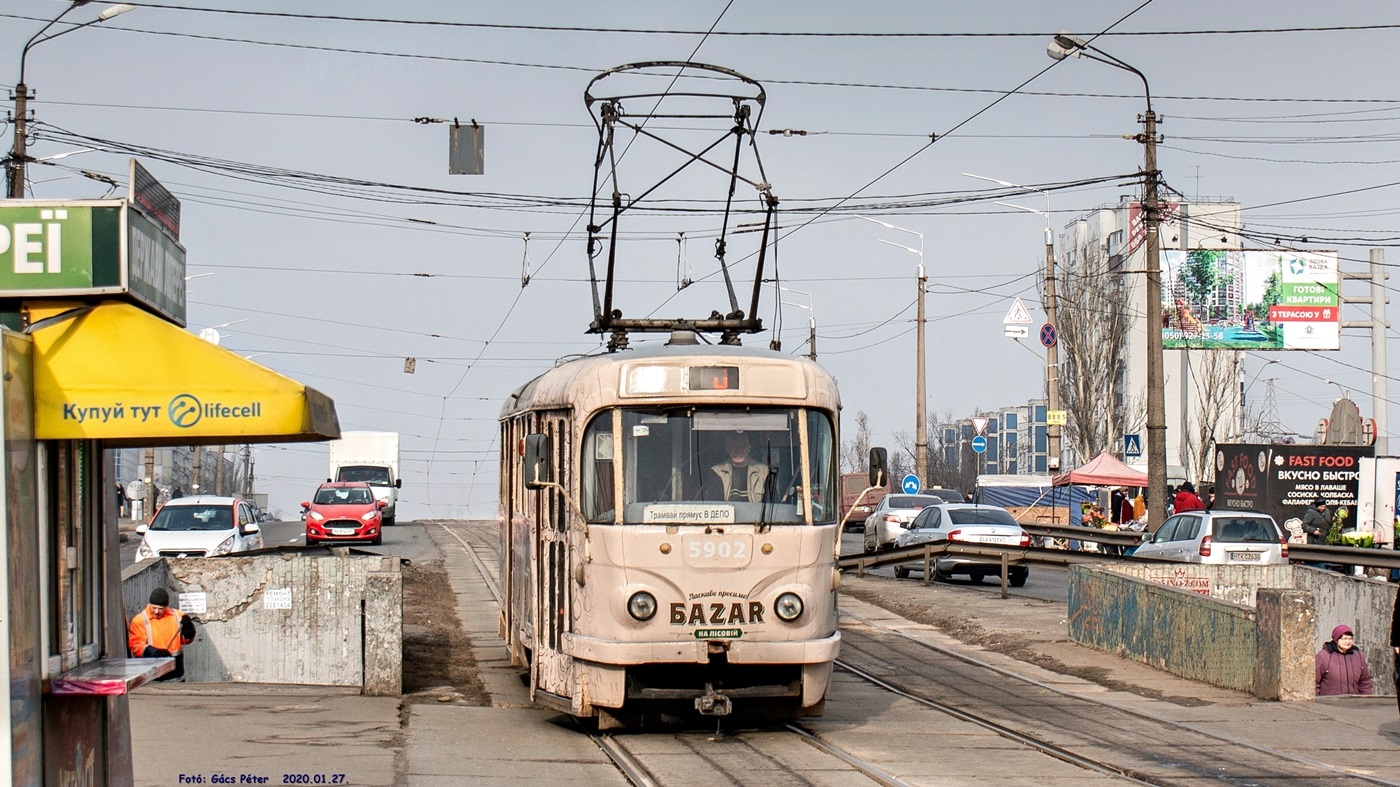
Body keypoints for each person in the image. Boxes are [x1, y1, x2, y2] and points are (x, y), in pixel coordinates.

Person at [129, 588, 197, 681]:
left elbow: (187, 640)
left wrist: (189, 628)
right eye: (154, 608)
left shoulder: (177, 616)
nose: (157, 611)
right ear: (150, 605)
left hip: (175, 673)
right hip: (152, 674)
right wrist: (155, 652)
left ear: (166, 606)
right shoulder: (140, 620)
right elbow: (136, 646)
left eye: (161, 609)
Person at [707, 432, 769, 503]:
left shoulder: (764, 472)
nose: (738, 451)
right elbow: (714, 505)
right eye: (733, 447)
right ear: (727, 449)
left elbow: (773, 506)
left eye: (741, 447)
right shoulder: (716, 472)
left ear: (749, 448)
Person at [1315, 624, 1373, 696]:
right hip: (1329, 704)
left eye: (1350, 639)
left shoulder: (1358, 655)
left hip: (1353, 704)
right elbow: (1314, 683)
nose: (1348, 642)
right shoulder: (1324, 656)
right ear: (1336, 640)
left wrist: (1366, 699)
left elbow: (1365, 681)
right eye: (1344, 639)